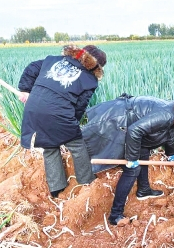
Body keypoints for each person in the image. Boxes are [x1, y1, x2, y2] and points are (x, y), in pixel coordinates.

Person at [81, 93, 174, 225]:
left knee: (144, 150)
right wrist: (131, 158)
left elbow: (169, 131)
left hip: (131, 121)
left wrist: (171, 153)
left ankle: (144, 190)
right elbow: (134, 131)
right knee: (132, 170)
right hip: (119, 120)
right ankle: (115, 215)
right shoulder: (165, 115)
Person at [17, 44, 107, 198]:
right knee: (77, 145)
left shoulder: (52, 60)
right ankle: (86, 182)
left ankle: (56, 188)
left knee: (49, 146)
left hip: (33, 109)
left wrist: (25, 90)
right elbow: (80, 106)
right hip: (59, 113)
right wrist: (72, 126)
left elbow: (32, 68)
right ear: (96, 65)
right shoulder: (90, 80)